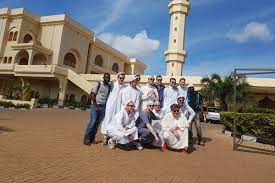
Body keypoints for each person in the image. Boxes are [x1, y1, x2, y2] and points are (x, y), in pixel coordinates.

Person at [83, 73, 111, 145]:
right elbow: (92, 95)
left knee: (97, 124)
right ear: (103, 78)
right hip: (95, 106)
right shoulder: (98, 84)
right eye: (106, 77)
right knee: (92, 122)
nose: (107, 79)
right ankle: (86, 139)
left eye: (108, 78)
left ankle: (92, 138)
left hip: (103, 107)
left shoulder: (109, 86)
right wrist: (96, 106)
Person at [101, 72, 126, 145]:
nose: (121, 79)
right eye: (120, 78)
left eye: (123, 78)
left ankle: (112, 138)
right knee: (107, 120)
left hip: (118, 107)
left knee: (115, 122)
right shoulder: (112, 84)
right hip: (110, 106)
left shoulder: (124, 87)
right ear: (117, 77)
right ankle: (105, 137)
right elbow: (104, 84)